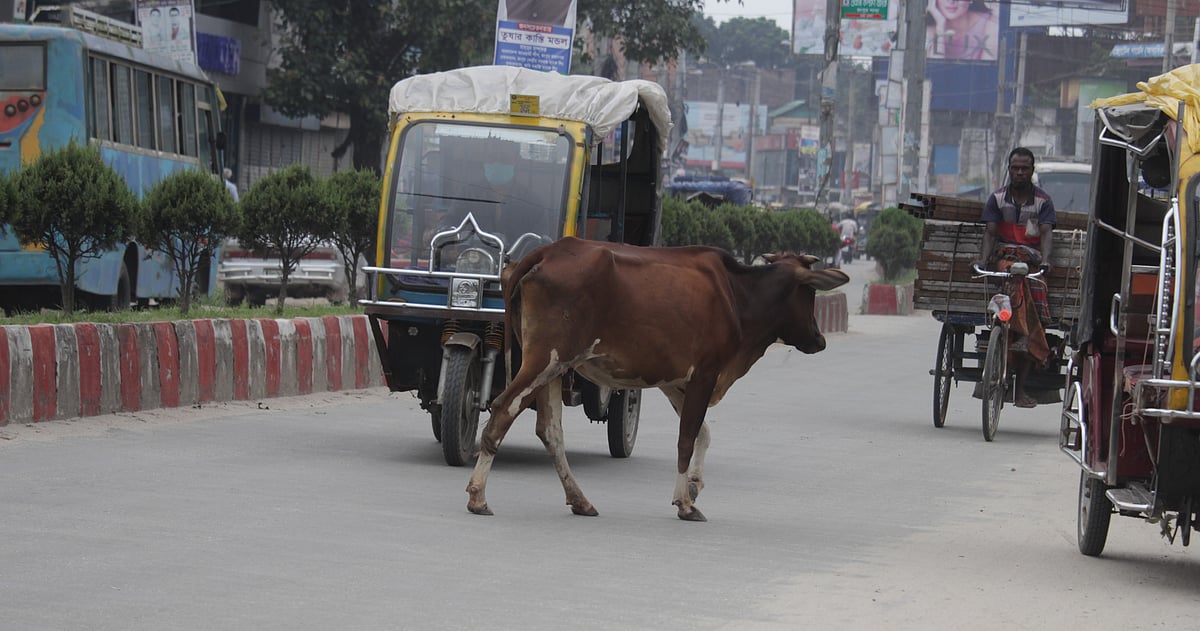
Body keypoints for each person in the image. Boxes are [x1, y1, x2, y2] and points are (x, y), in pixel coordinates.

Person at [976, 147, 1056, 408]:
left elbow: (1046, 233)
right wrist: (982, 260)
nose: (1019, 172)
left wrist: (1045, 260)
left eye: (1024, 168)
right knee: (1012, 274)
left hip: (1031, 262)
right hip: (1005, 259)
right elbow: (990, 233)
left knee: (1026, 281)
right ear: (1009, 169)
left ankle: (1023, 344)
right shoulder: (997, 199)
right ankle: (1019, 335)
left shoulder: (1043, 201)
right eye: (1015, 168)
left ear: (1032, 171)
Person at [925, 0, 998, 61]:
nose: (951, 1)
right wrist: (940, 25)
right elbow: (933, 70)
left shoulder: (990, 23)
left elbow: (987, 72)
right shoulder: (927, 28)